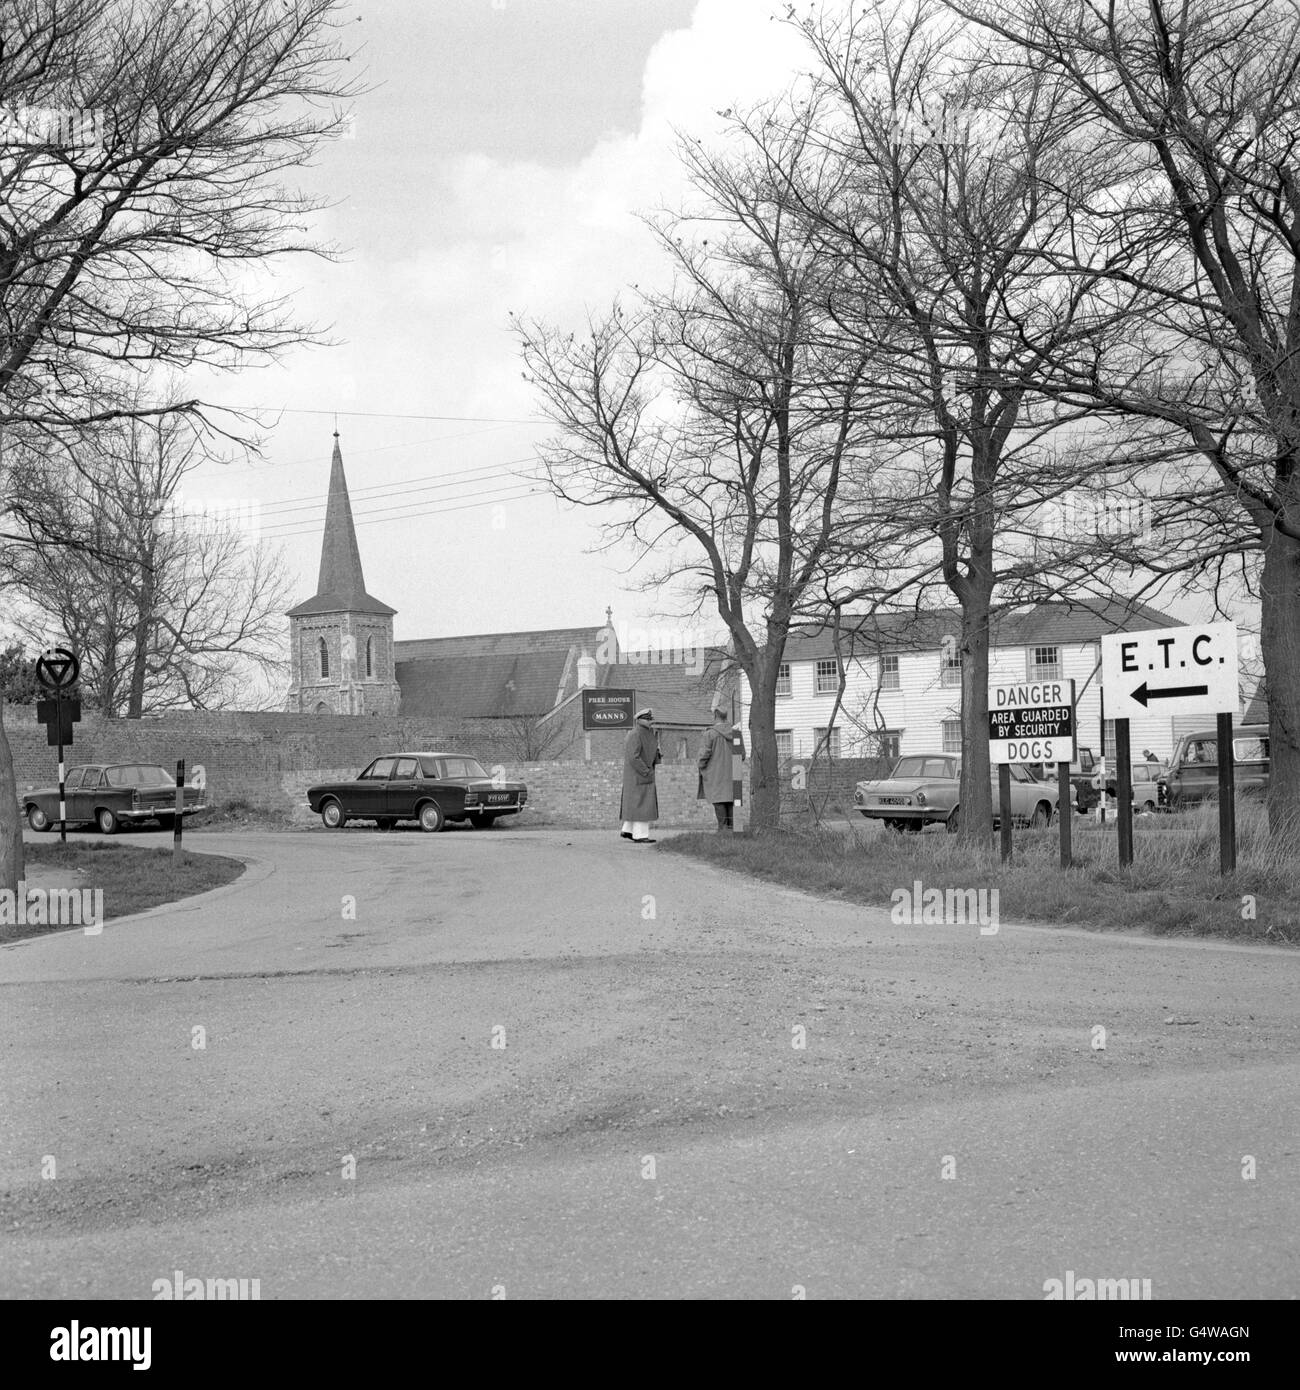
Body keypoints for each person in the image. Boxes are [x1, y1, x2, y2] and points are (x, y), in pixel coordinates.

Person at [620, 707, 661, 843]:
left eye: (651, 719)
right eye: (647, 719)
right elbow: (633, 757)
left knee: (637, 803)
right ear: (639, 720)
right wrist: (646, 771)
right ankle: (640, 835)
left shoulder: (644, 733)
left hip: (639, 774)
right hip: (639, 774)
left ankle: (628, 830)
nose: (650, 721)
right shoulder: (636, 734)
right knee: (642, 805)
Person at [697, 706, 735, 831]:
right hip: (734, 774)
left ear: (715, 716)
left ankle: (722, 830)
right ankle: (733, 830)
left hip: (715, 774)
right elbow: (743, 755)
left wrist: (701, 766)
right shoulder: (736, 734)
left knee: (719, 801)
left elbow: (704, 755)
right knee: (731, 800)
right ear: (726, 717)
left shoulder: (710, 734)